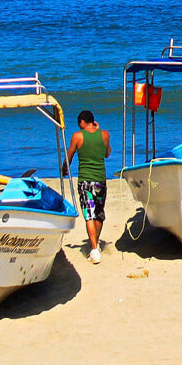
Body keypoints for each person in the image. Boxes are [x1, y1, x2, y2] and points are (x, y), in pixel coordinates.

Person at [66, 110, 111, 264]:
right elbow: (107, 153)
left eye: (79, 123)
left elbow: (69, 155)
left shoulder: (77, 136)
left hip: (85, 180)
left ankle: (93, 248)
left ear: (82, 122)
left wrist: (64, 169)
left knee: (89, 213)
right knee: (99, 212)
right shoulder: (104, 134)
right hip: (100, 179)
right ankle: (95, 245)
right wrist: (98, 129)